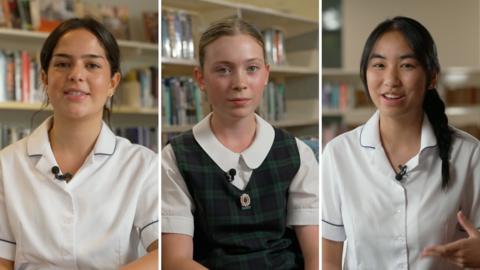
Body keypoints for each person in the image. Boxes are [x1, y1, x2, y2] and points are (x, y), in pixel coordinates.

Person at [322, 16, 480, 270]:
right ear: (365, 72)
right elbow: (328, 257)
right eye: (379, 65)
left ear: (432, 77)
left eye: (407, 65)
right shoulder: (339, 154)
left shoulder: (468, 154)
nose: (391, 79)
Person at [0, 18, 158, 270]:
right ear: (44, 78)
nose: (75, 75)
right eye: (62, 64)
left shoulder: (143, 164)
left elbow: (164, 253)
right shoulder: (6, 165)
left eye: (92, 64)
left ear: (113, 83)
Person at [162, 17, 319, 270]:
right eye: (223, 69)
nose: (240, 83)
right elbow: (175, 260)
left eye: (252, 68)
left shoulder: (296, 153)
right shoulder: (174, 158)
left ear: (266, 74)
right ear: (200, 79)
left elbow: (317, 255)